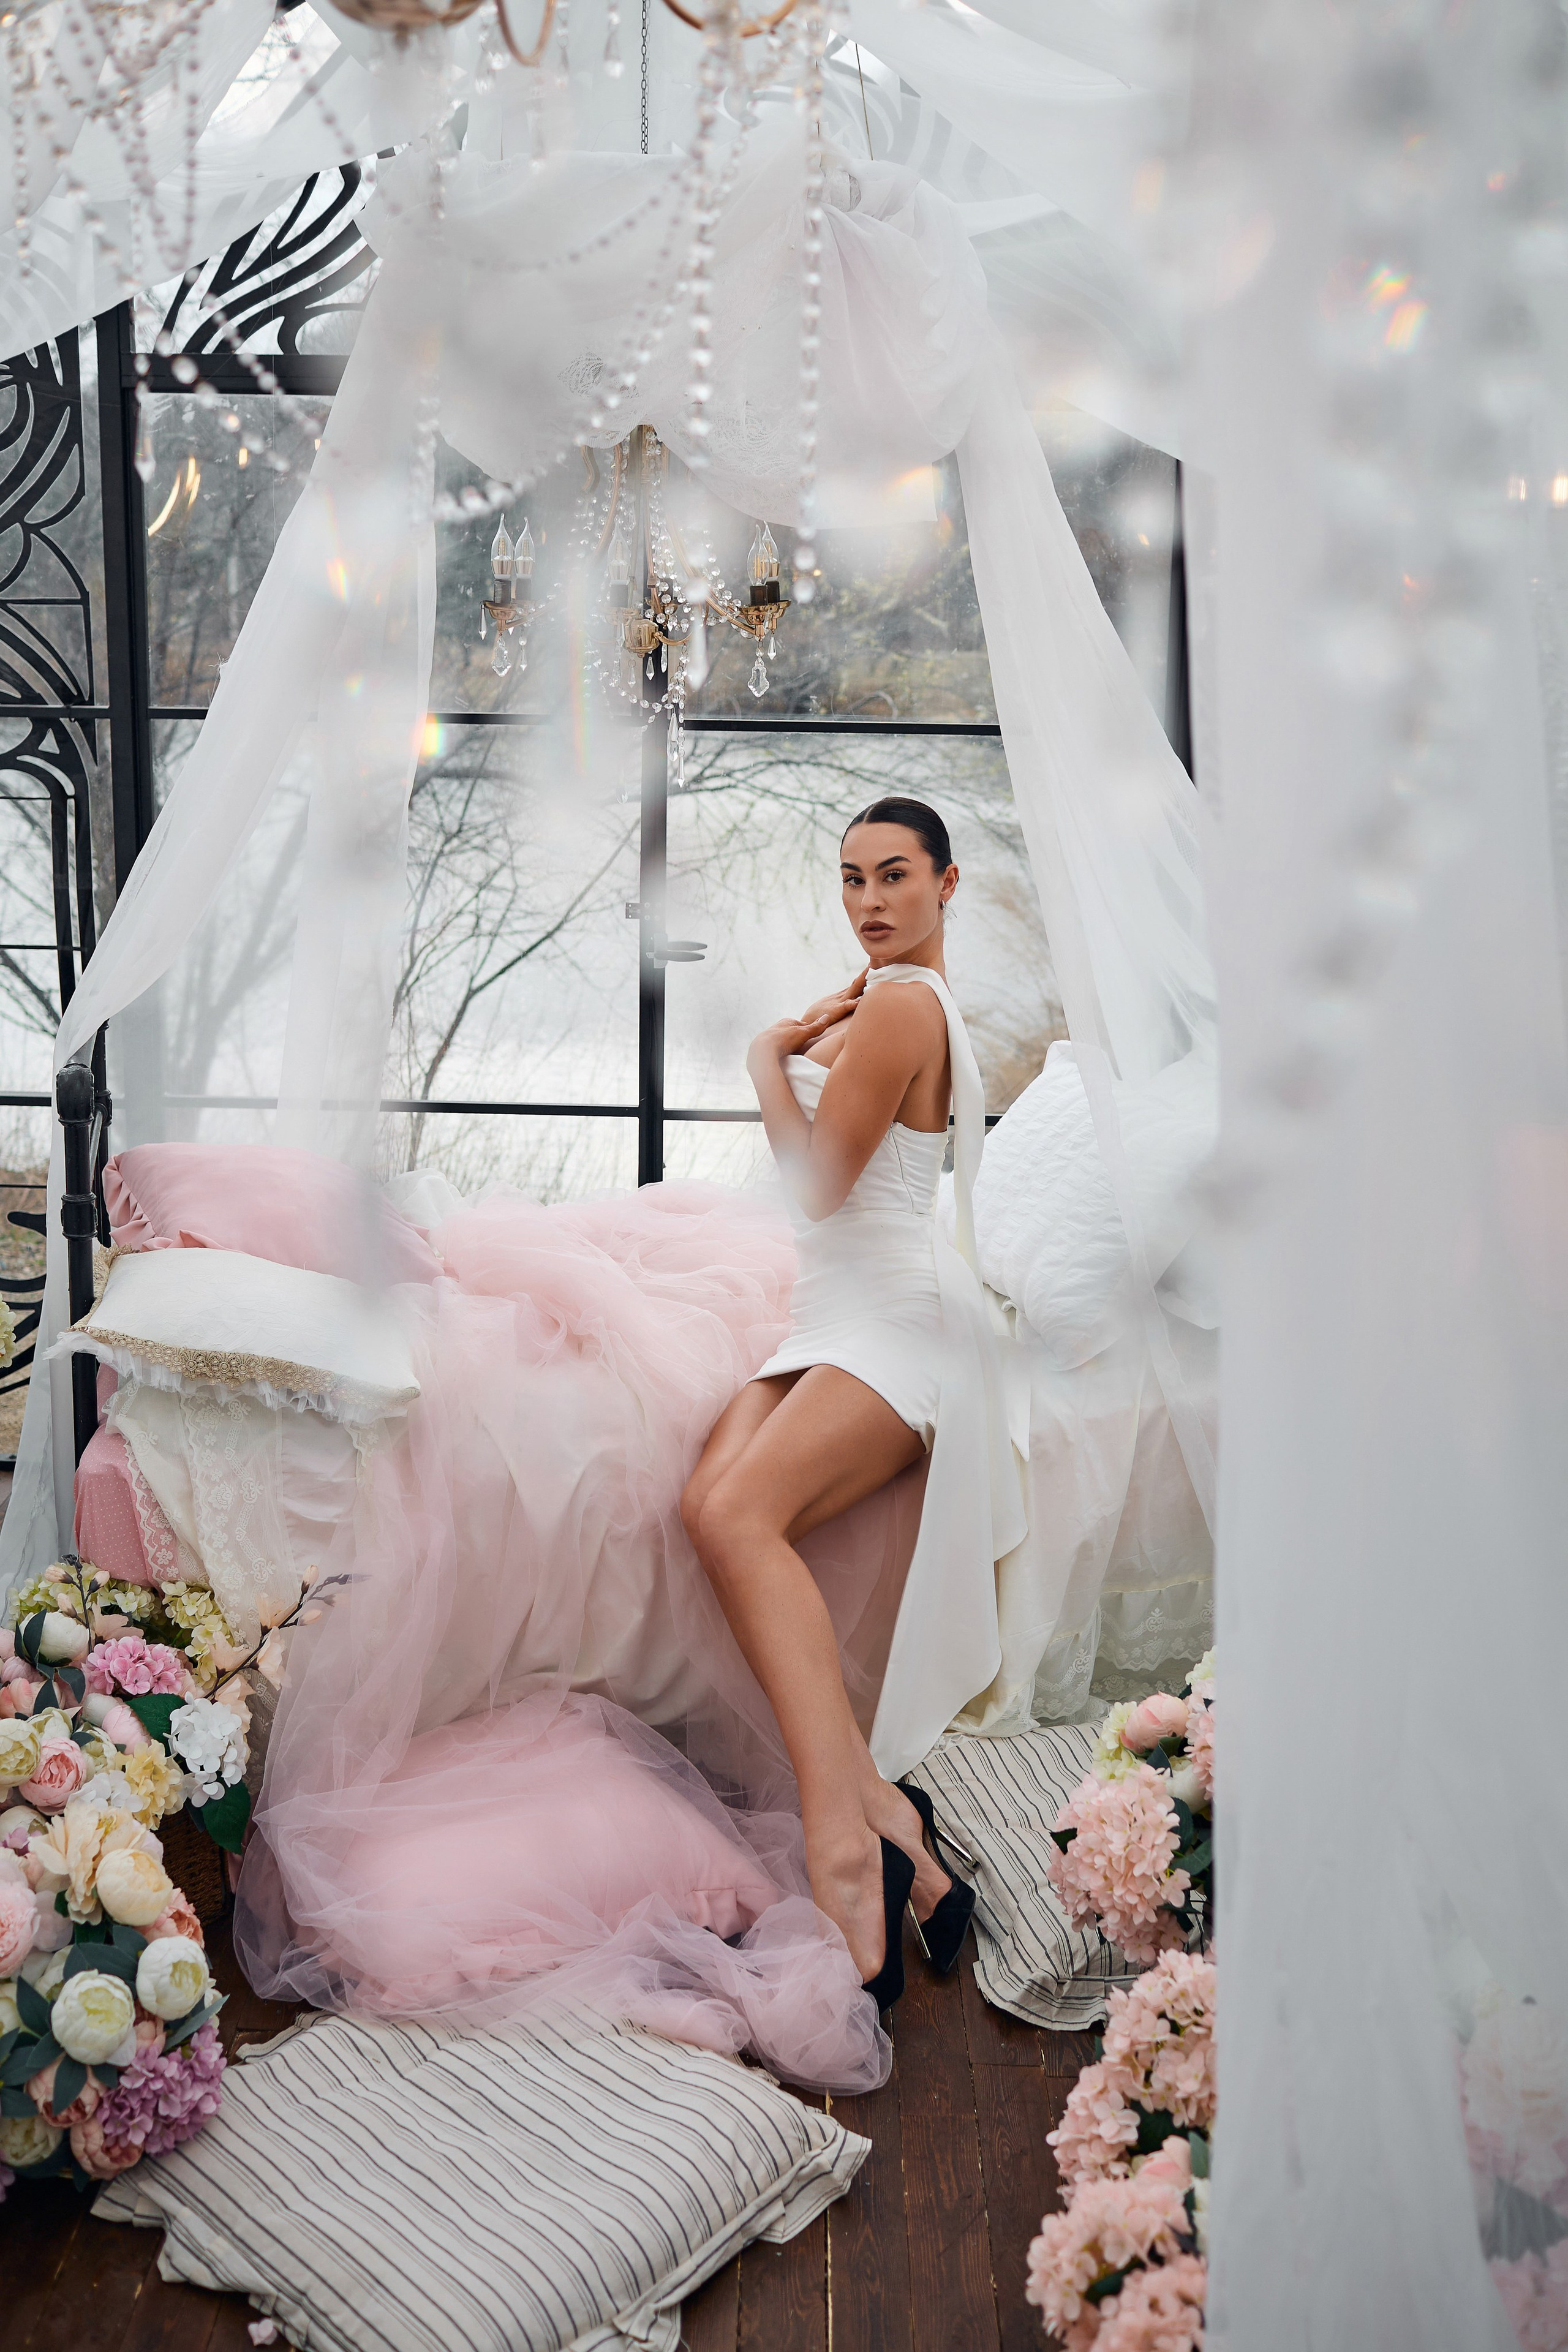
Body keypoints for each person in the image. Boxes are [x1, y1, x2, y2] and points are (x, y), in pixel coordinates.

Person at [682, 796, 1023, 2005]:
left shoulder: (900, 1002)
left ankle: (843, 1847)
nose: (869, 902)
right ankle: (894, 1825)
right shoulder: (891, 1005)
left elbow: (818, 1187)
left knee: (736, 1519)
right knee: (703, 1501)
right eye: (849, 881)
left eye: (893, 876)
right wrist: (803, 1059)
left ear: (946, 885)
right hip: (830, 1314)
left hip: (889, 1324)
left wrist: (764, 1061)